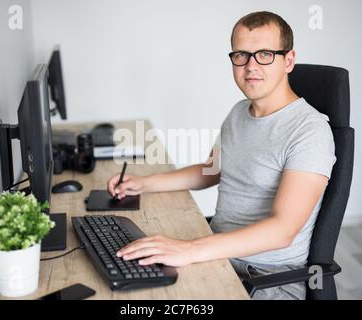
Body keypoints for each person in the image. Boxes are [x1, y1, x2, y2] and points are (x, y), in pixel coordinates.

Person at [107, 11, 336, 300]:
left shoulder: (309, 131)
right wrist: (144, 183)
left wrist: (189, 249)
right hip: (220, 258)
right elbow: (210, 170)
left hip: (267, 280)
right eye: (241, 54)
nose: (250, 66)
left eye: (264, 54)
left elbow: (282, 230)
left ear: (288, 60)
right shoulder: (240, 112)